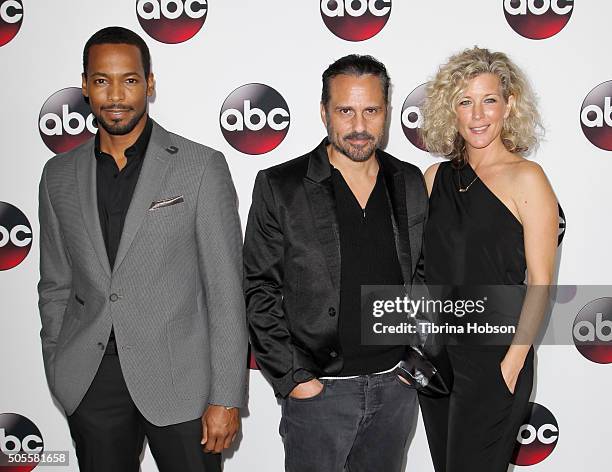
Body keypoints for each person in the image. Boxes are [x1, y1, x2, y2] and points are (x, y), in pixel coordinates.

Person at [37, 26, 247, 472]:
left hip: (182, 381)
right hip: (92, 384)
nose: (116, 95)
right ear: (85, 86)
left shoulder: (199, 166)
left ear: (149, 84)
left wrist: (226, 396)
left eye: (129, 80)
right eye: (102, 80)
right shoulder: (58, 175)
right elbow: (55, 283)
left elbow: (226, 292)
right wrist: (60, 367)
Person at [244, 54, 425, 472]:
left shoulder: (409, 180)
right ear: (324, 111)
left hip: (395, 388)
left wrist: (412, 362)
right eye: (345, 110)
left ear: (387, 112)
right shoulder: (281, 186)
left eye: (371, 111)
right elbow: (259, 286)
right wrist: (294, 378)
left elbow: (422, 274)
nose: (359, 126)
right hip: (320, 392)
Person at [417, 47, 558, 472]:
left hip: (495, 357)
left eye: (489, 100)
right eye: (465, 101)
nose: (478, 114)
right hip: (438, 360)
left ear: (509, 104)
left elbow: (542, 281)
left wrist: (512, 364)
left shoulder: (527, 178)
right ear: (451, 110)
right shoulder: (434, 178)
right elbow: (427, 273)